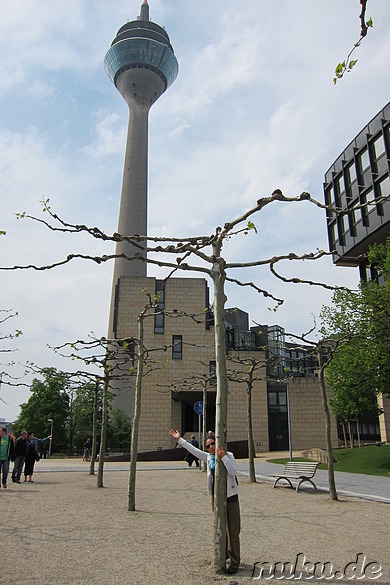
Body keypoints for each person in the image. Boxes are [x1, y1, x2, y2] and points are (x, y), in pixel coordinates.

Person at [169, 429, 240, 575]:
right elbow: (194, 450)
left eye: (213, 444)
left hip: (231, 497)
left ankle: (235, 562)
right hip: (216, 498)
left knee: (233, 530)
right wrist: (179, 439)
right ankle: (224, 553)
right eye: (208, 446)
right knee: (220, 528)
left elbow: (233, 472)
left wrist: (224, 457)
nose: (211, 447)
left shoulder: (229, 455)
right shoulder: (208, 458)